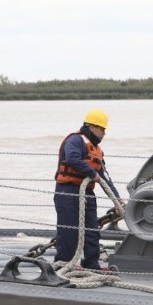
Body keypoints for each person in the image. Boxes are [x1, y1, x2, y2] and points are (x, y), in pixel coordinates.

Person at [53, 109, 122, 271]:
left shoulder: (97, 150)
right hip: (67, 191)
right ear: (92, 127)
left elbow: (104, 177)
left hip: (87, 194)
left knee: (92, 231)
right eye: (102, 129)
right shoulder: (75, 140)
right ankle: (64, 263)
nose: (104, 133)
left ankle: (92, 263)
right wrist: (92, 174)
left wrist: (117, 200)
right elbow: (72, 158)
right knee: (69, 230)